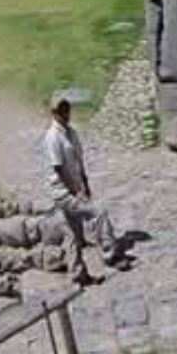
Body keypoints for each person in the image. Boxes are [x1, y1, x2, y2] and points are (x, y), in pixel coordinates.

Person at [41, 98, 116, 282]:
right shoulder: (52, 136)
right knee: (99, 213)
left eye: (67, 110)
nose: (65, 114)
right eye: (61, 111)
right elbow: (58, 168)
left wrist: (86, 184)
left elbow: (78, 161)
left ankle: (77, 273)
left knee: (73, 232)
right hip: (63, 192)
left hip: (75, 187)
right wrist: (76, 191)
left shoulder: (71, 133)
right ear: (54, 113)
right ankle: (110, 255)